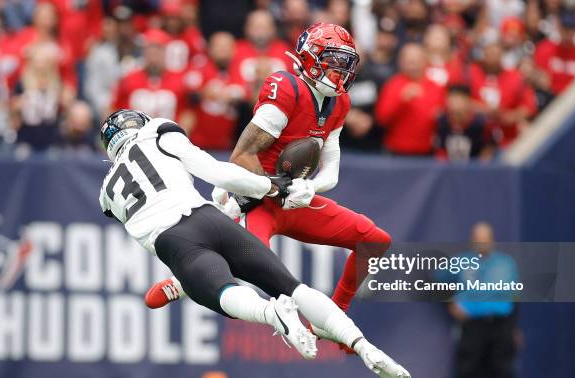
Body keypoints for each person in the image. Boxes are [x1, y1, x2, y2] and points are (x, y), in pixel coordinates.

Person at [98, 109, 411, 378]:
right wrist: (270, 187)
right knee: (293, 287)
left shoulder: (107, 194)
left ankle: (271, 313)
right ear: (140, 125)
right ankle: (365, 346)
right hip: (209, 217)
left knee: (225, 294)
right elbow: (215, 170)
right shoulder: (159, 134)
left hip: (176, 241)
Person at [146, 23, 393, 353]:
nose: (340, 72)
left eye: (345, 64)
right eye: (334, 61)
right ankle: (183, 282)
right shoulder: (285, 87)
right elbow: (241, 155)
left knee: (375, 241)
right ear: (310, 57)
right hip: (259, 201)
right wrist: (280, 190)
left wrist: (310, 186)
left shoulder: (339, 103)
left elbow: (331, 167)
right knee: (248, 271)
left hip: (292, 200)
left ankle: (334, 315)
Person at [449, 222, 520, 378]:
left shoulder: (506, 264)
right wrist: (450, 303)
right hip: (472, 328)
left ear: (492, 240)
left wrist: (514, 329)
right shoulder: (461, 262)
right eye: (478, 239)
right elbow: (436, 281)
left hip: (501, 327)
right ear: (473, 241)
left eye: (486, 239)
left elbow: (515, 298)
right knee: (466, 377)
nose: (482, 243)